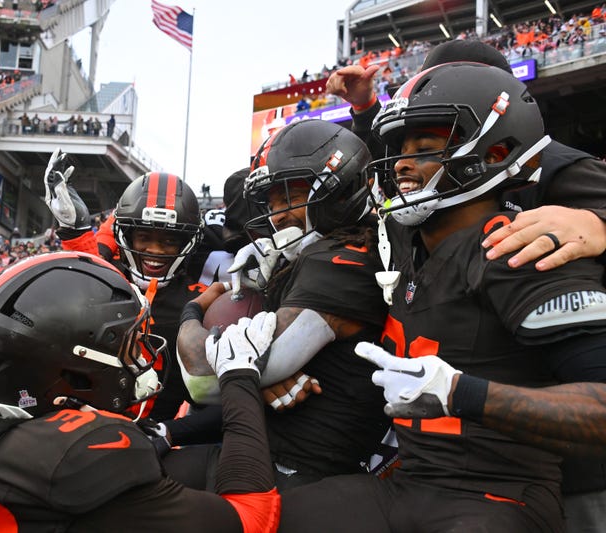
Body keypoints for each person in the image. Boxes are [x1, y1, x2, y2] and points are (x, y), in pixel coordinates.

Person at [280, 62, 606, 533]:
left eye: (425, 148)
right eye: (399, 150)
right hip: (407, 483)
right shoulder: (405, 242)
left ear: (493, 150)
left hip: (495, 494)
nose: (400, 165)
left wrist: (462, 393)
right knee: (262, 515)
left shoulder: (519, 245)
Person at [0, 252, 281, 532]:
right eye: (128, 344)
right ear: (75, 367)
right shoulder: (87, 447)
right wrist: (239, 376)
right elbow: (252, 517)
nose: (142, 356)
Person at [176, 119, 389, 489]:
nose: (277, 216)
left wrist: (191, 313)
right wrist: (262, 382)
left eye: (290, 196)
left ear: (340, 190)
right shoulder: (328, 248)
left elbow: (202, 378)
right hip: (279, 455)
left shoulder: (338, 260)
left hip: (306, 474)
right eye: (271, 201)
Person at [327, 39, 606, 273]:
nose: (404, 161)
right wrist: (365, 110)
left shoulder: (555, 164)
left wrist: (597, 223)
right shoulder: (428, 160)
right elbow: (399, 167)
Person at [44, 150, 206, 421]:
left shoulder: (200, 300)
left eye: (169, 241)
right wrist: (74, 233)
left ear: (187, 244)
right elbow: (87, 275)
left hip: (159, 436)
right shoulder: (107, 279)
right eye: (144, 237)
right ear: (125, 236)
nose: (155, 250)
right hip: (82, 423)